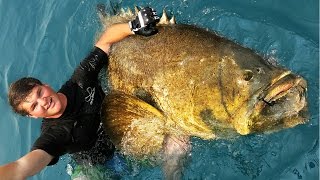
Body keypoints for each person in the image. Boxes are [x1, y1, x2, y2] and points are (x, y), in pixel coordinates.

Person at [0, 6, 160, 180]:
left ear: (45, 85)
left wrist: (132, 26)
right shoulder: (55, 134)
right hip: (97, 168)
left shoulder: (80, 80)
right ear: (32, 116)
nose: (43, 101)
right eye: (34, 106)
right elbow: (22, 167)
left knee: (177, 146)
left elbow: (105, 41)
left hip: (125, 138)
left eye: (39, 93)